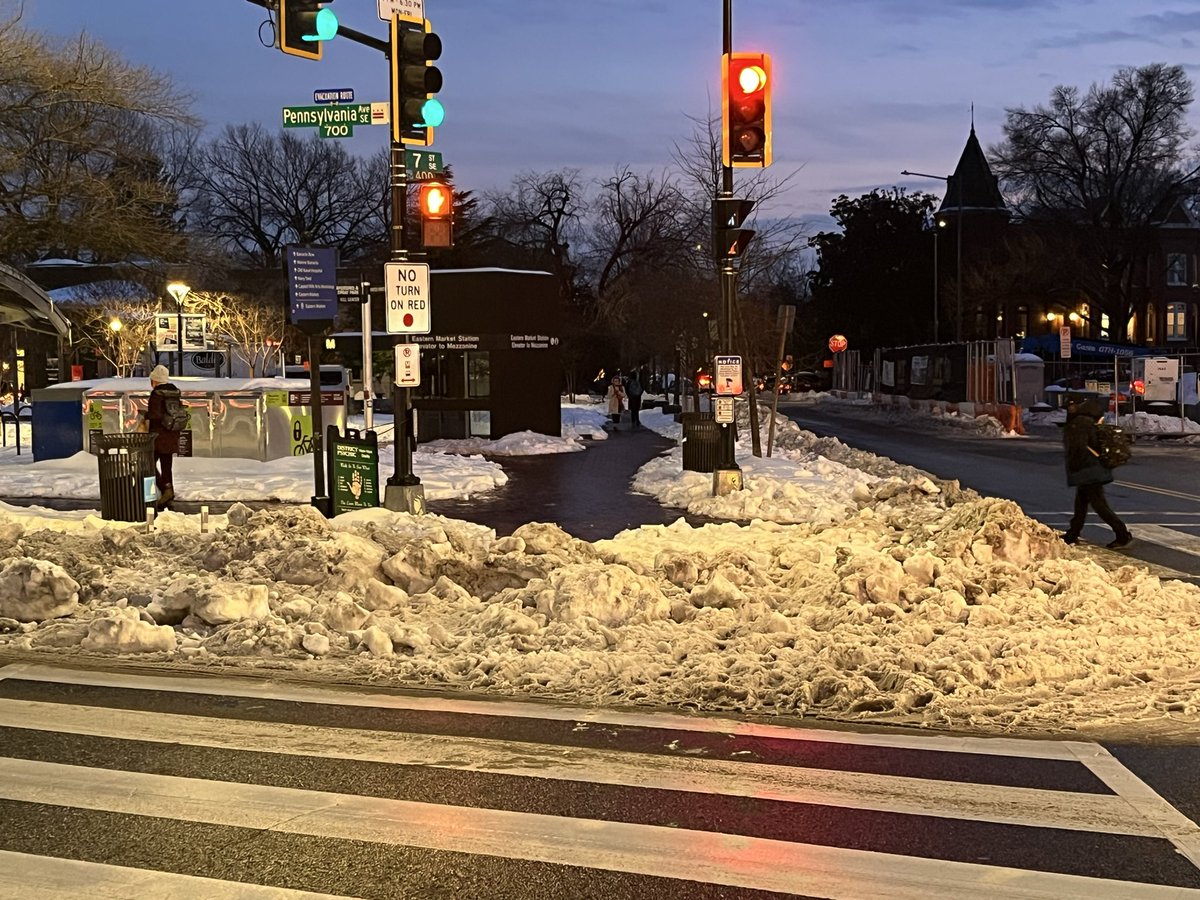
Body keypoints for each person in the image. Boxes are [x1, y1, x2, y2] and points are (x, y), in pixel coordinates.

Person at [1062, 397, 1131, 548]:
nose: (1069, 410)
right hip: (1090, 468)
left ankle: (1122, 534)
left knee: (1099, 506)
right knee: (1081, 504)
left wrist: (1074, 465)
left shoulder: (1079, 423)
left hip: (1088, 470)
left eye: (1071, 406)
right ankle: (1073, 534)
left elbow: (1078, 448)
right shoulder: (1087, 420)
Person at [146, 364, 183, 510]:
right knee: (166, 465)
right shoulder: (175, 392)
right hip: (172, 433)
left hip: (158, 435)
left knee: (149, 463)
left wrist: (145, 415)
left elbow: (155, 415)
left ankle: (164, 489)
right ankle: (168, 491)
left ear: (155, 380)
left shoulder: (156, 394)